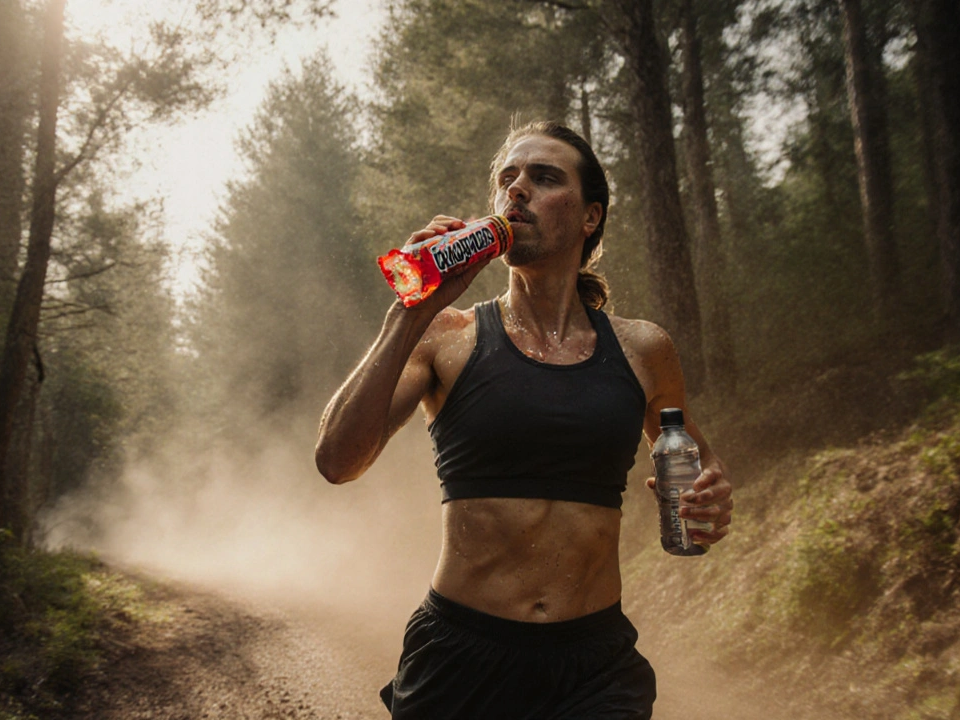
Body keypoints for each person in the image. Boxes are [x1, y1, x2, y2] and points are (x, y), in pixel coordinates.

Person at [315, 121, 734, 719]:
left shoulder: (644, 349)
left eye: (544, 178)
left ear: (590, 217)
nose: (517, 191)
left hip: (596, 668)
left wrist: (712, 493)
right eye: (507, 179)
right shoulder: (446, 336)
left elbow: (693, 453)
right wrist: (409, 313)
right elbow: (337, 460)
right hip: (461, 659)